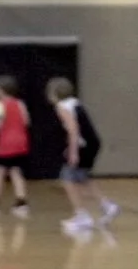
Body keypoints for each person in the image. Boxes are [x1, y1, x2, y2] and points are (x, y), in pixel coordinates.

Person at [47, 77, 119, 233]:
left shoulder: (61, 107)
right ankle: (107, 206)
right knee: (82, 178)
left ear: (53, 93)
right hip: (93, 143)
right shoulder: (75, 102)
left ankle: (82, 216)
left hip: (83, 145)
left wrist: (73, 152)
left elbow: (73, 129)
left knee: (67, 178)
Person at [0, 75, 31, 218]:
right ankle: (21, 202)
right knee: (16, 171)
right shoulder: (20, 104)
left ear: (0, 90)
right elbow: (26, 121)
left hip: (6, 143)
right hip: (21, 142)